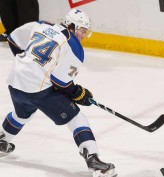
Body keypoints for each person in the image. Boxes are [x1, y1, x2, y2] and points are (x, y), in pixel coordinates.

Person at [0, 9, 117, 177]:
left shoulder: (41, 25)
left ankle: (2, 139)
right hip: (37, 90)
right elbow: (61, 83)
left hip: (15, 81)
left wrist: (26, 63)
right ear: (72, 26)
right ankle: (93, 161)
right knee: (77, 118)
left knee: (22, 113)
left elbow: (13, 38)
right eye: (83, 31)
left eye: (86, 32)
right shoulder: (75, 47)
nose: (84, 36)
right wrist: (79, 93)